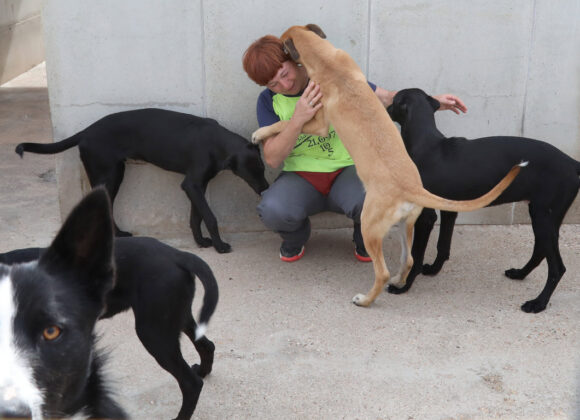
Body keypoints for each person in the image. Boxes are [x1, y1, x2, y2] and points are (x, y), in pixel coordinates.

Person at [242, 34, 467, 263]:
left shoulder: (331, 76)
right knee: (272, 210)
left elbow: (386, 98)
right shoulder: (268, 101)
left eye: (285, 74)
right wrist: (298, 119)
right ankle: (295, 238)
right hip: (301, 177)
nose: (285, 85)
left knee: (379, 198)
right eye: (274, 84)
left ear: (294, 60)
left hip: (348, 171)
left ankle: (363, 238)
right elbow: (272, 158)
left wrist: (432, 102)